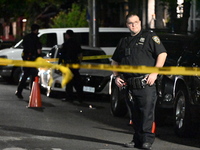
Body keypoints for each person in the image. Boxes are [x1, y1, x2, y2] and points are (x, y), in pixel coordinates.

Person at [111, 13, 167, 150]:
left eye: (136, 22)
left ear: (140, 22)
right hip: (129, 84)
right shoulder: (123, 41)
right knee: (134, 114)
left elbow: (162, 54)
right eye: (130, 23)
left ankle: (147, 140)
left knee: (146, 113)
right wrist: (116, 76)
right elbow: (115, 60)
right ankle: (137, 139)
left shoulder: (149, 37)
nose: (133, 25)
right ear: (127, 25)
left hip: (145, 83)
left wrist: (155, 72)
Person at [15, 24, 42, 99]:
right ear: (36, 30)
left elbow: (24, 47)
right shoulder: (36, 39)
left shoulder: (26, 37)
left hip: (26, 59)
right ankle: (32, 93)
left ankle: (19, 91)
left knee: (25, 75)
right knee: (33, 77)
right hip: (33, 60)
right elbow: (39, 51)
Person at [58, 29, 84, 103]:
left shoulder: (65, 44)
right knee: (77, 82)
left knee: (69, 82)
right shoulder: (76, 43)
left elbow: (62, 55)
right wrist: (79, 62)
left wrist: (60, 64)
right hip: (75, 64)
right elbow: (80, 54)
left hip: (68, 65)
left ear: (67, 35)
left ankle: (69, 97)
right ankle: (80, 98)